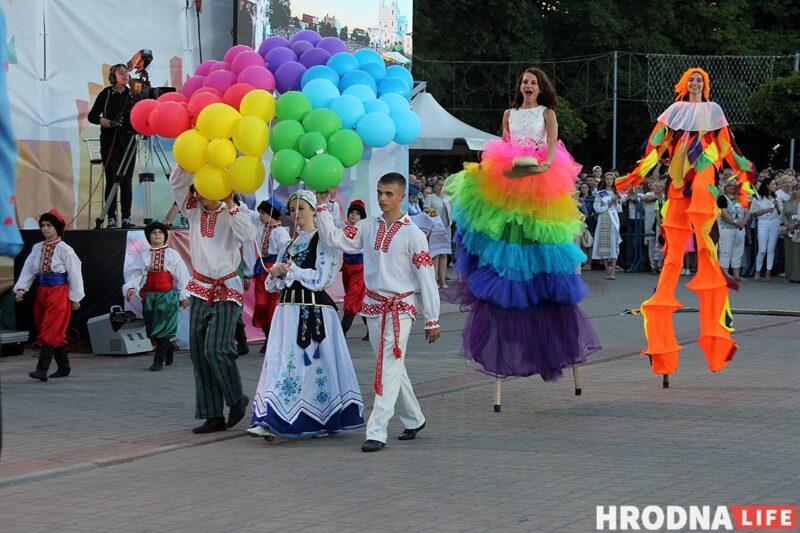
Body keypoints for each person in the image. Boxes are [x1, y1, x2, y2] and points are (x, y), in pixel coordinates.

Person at [444, 67, 600, 386]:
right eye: (524, 82)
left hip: (539, 177)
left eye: (533, 82)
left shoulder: (547, 113)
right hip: (511, 175)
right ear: (520, 87)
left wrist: (544, 164)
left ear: (540, 88)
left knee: (539, 244)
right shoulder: (509, 113)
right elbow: (504, 144)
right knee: (504, 241)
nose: (528, 85)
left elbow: (554, 146)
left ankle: (549, 330)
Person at [616, 67, 755, 378]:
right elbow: (656, 147)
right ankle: (661, 343)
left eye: (700, 80)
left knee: (708, 252)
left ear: (705, 85)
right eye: (691, 79)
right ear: (684, 84)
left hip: (704, 173)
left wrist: (745, 182)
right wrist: (634, 177)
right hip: (678, 181)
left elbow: (728, 149)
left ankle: (717, 337)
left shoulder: (714, 111)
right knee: (672, 258)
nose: (695, 83)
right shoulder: (675, 110)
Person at [315, 172, 441, 453]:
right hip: (373, 306)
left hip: (401, 309)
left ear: (401, 196)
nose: (383, 198)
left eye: (389, 194)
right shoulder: (367, 227)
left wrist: (432, 318)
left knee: (386, 368)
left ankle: (377, 430)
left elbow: (426, 277)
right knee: (392, 368)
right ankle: (414, 418)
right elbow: (335, 239)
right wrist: (322, 205)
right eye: (380, 193)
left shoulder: (414, 234)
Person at [247, 190, 365, 440]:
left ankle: (314, 418)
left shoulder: (324, 241)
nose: (296, 214)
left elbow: (323, 278)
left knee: (311, 367)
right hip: (286, 313)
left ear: (313, 210)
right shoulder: (289, 243)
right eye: (292, 210)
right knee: (280, 364)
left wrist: (293, 271)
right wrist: (277, 273)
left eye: (301, 208)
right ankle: (271, 416)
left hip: (313, 313)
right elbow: (273, 284)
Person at [169, 166, 256, 434]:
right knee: (198, 352)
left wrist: (230, 202)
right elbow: (176, 182)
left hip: (226, 289)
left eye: (208, 191)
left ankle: (236, 398)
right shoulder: (193, 210)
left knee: (217, 348)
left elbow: (248, 235)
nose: (201, 195)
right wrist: (186, 161)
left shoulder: (232, 213)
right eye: (199, 190)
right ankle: (212, 414)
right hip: (199, 288)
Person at [14, 210, 84, 381]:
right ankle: (64, 367)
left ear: (57, 228)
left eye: (49, 225)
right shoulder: (38, 248)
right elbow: (29, 268)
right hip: (42, 292)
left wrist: (75, 297)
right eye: (43, 225)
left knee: (51, 329)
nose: (45, 229)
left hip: (58, 292)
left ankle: (42, 369)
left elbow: (74, 273)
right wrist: (22, 289)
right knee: (48, 328)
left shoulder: (65, 249)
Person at [123, 221, 190, 371]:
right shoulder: (144, 256)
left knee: (164, 327)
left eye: (160, 232)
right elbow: (134, 274)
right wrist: (131, 288)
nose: (157, 235)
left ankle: (158, 360)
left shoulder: (173, 254)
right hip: (150, 297)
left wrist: (184, 295)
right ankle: (169, 347)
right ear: (148, 237)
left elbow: (183, 276)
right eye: (154, 233)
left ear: (165, 236)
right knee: (152, 328)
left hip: (167, 296)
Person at [87, 63, 135, 229]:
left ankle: (127, 217)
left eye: (126, 71)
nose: (125, 74)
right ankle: (112, 217)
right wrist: (105, 121)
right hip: (109, 140)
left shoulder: (132, 94)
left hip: (128, 139)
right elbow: (92, 115)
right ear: (113, 76)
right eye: (121, 72)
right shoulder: (106, 94)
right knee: (112, 178)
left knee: (127, 180)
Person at [241, 198, 291, 354]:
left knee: (272, 308)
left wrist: (280, 270)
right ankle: (268, 335)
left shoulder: (281, 232)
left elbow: (286, 252)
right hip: (263, 270)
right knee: (261, 305)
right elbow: (246, 212)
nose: (260, 216)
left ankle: (272, 340)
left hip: (274, 270)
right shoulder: (261, 225)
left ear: (271, 214)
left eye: (263, 213)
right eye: (260, 213)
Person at [340, 200, 368, 335]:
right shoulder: (343, 228)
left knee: (352, 299)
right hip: (346, 267)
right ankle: (372, 329)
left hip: (359, 268)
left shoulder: (364, 230)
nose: (354, 215)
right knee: (358, 300)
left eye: (357, 214)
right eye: (352, 212)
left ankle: (342, 330)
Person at [716, 177, 749, 281]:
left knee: (738, 251)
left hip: (739, 228)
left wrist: (743, 221)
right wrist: (736, 222)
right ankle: (724, 275)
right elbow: (724, 214)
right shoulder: (722, 198)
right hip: (727, 228)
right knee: (725, 250)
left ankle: (736, 275)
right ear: (725, 187)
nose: (731, 187)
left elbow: (747, 212)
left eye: (733, 185)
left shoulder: (740, 198)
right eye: (729, 185)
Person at [750, 176, 783, 281]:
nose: (775, 186)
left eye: (775, 184)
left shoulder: (776, 197)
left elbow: (780, 213)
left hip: (774, 222)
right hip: (763, 222)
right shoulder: (758, 197)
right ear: (767, 185)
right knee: (762, 249)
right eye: (773, 184)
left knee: (771, 249)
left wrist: (777, 206)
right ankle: (758, 271)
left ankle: (769, 271)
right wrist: (765, 211)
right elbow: (753, 213)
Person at [592, 172, 623, 279]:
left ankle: (613, 271)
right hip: (603, 219)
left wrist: (616, 202)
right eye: (607, 178)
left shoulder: (616, 193)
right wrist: (607, 206)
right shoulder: (600, 193)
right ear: (604, 180)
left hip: (614, 220)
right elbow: (596, 208)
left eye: (611, 178)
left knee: (614, 244)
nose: (609, 180)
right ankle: (607, 270)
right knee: (604, 243)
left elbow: (620, 209)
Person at [643, 180, 665, 274]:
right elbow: (646, 198)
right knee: (651, 245)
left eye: (660, 186)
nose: (657, 188)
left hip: (661, 224)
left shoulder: (665, 197)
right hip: (650, 222)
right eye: (655, 186)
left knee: (660, 245)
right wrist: (657, 197)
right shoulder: (649, 194)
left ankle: (660, 265)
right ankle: (653, 265)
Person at [780, 182, 800, 282]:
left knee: (797, 253)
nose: (795, 191)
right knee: (789, 253)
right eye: (793, 189)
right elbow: (783, 215)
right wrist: (787, 223)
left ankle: (797, 276)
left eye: (797, 189)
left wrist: (795, 223)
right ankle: (789, 275)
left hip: (798, 229)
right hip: (789, 230)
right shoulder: (788, 202)